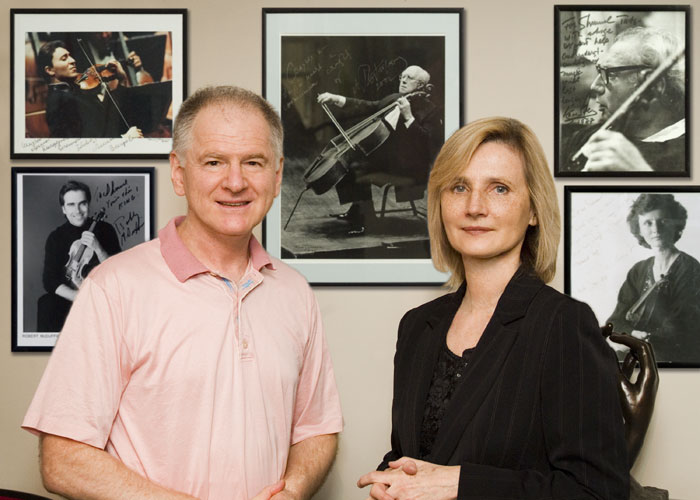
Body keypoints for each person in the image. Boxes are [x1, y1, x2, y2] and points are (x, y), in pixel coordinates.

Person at [23, 86, 343, 500]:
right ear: (179, 172)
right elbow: (63, 459)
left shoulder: (294, 291)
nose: (235, 182)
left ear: (278, 175)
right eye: (214, 162)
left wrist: (294, 489)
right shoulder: (113, 287)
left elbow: (316, 428)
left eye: (253, 162)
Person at [357, 117, 628, 499]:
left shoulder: (563, 324)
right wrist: (392, 478)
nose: (474, 206)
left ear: (533, 210)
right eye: (458, 187)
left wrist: (459, 483)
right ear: (440, 203)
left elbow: (598, 491)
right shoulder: (418, 326)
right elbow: (418, 456)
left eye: (499, 189)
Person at [316, 65, 443, 234]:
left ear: (421, 86)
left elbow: (427, 144)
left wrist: (408, 116)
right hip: (389, 160)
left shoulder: (431, 112)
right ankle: (357, 211)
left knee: (356, 168)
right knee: (348, 161)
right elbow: (369, 106)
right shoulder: (395, 98)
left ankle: (365, 220)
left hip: (409, 167)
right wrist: (336, 98)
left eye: (409, 78)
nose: (403, 80)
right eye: (402, 76)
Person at [561, 27, 685, 173]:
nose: (595, 86)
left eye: (609, 74)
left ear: (654, 87)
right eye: (599, 72)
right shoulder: (588, 136)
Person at [607, 194, 700, 364]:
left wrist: (636, 340)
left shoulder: (691, 269)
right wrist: (633, 335)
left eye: (662, 221)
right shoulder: (638, 270)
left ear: (675, 224)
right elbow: (615, 322)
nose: (655, 229)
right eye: (647, 223)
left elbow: (681, 326)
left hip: (674, 359)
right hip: (637, 355)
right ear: (639, 229)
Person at [36, 180, 121, 332]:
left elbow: (118, 273)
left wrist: (98, 248)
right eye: (71, 205)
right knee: (46, 304)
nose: (78, 210)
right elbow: (49, 280)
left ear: (88, 204)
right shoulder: (56, 237)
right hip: (70, 296)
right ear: (63, 209)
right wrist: (77, 297)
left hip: (100, 294)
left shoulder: (106, 230)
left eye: (82, 203)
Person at [37, 40, 143, 138]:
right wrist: (125, 138)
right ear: (50, 70)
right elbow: (93, 141)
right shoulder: (62, 100)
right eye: (64, 59)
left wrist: (120, 81)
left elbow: (103, 122)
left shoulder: (70, 93)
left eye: (70, 56)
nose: (73, 60)